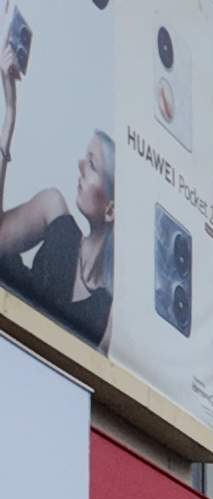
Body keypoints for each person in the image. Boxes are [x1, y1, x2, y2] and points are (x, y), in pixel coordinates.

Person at [0, 53, 113, 350]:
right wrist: (10, 116)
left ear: (111, 209)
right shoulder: (54, 211)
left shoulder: (109, 309)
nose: (79, 165)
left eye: (91, 164)